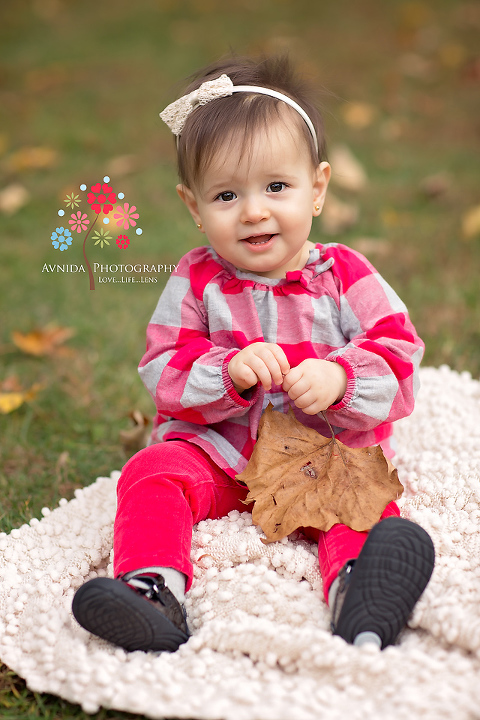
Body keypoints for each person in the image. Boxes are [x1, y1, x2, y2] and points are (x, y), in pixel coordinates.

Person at [72, 54, 435, 653]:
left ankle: (360, 590)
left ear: (316, 189)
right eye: (225, 194)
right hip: (221, 455)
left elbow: (399, 358)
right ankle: (150, 588)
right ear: (194, 207)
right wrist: (225, 373)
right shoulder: (196, 281)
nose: (254, 210)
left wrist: (341, 378)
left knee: (358, 501)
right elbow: (162, 368)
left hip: (323, 450)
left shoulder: (344, 274)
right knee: (153, 472)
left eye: (276, 186)